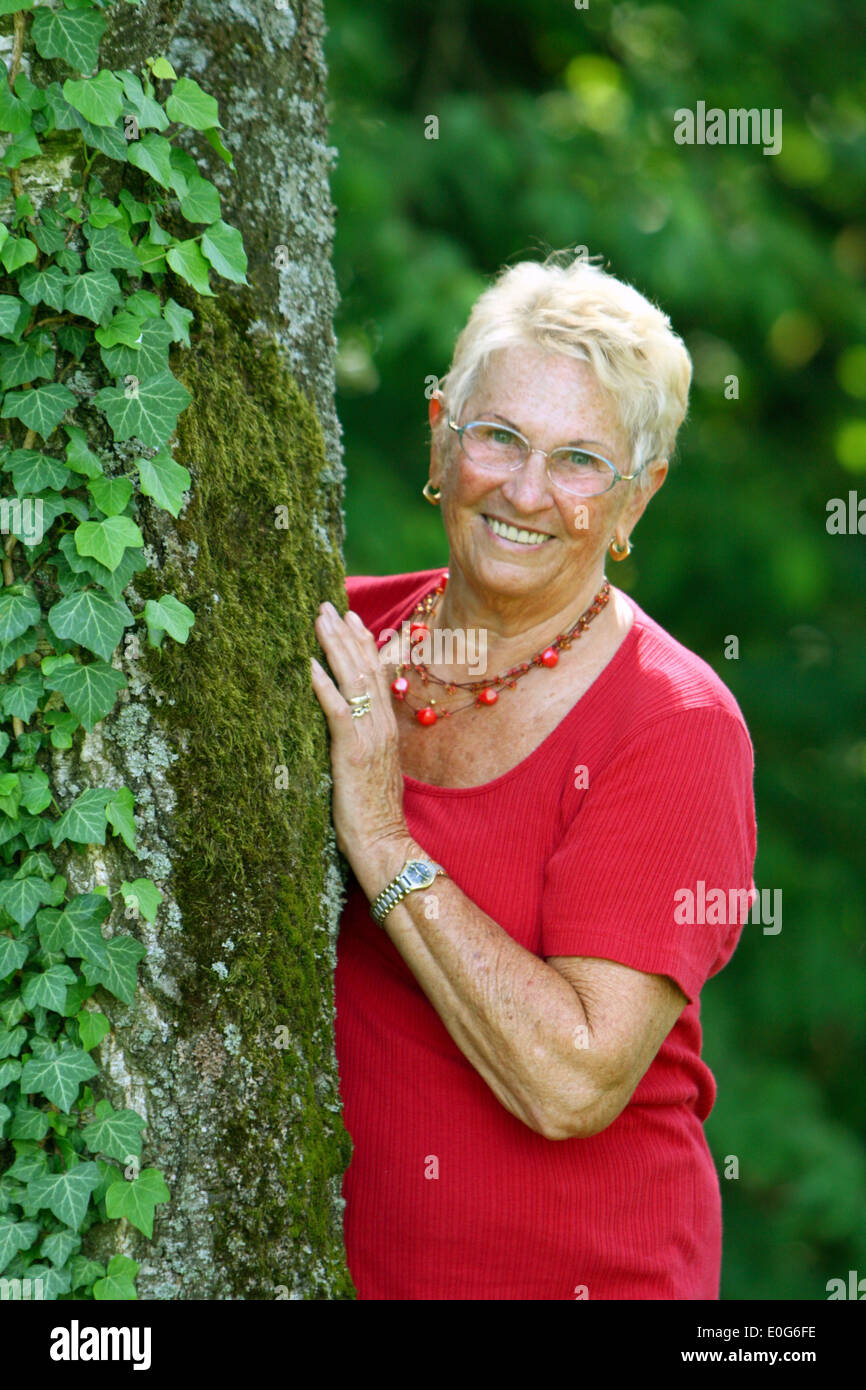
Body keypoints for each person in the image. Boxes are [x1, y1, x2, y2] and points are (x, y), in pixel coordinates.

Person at [310, 250, 757, 1300]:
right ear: (437, 430)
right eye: (497, 436)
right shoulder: (340, 634)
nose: (523, 490)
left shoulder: (674, 724)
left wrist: (379, 836)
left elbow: (570, 1079)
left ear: (636, 494)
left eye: (577, 461)